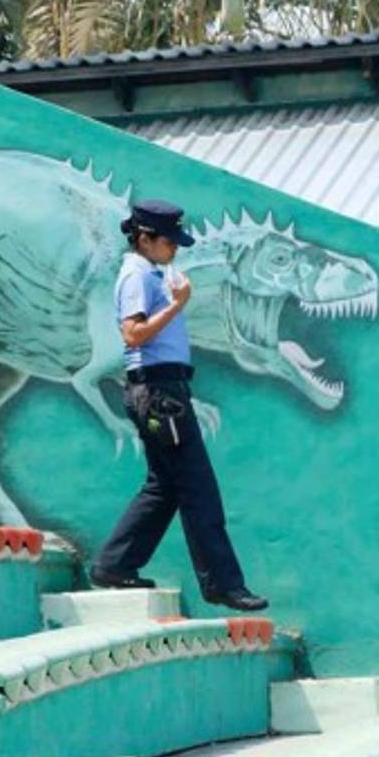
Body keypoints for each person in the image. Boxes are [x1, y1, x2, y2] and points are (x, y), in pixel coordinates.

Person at [90, 200, 267, 611]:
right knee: (197, 488)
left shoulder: (151, 272)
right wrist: (177, 304)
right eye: (169, 242)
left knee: (164, 486)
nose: (175, 250)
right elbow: (133, 335)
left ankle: (114, 565)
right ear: (145, 238)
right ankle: (223, 583)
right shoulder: (136, 275)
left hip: (163, 391)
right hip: (159, 394)